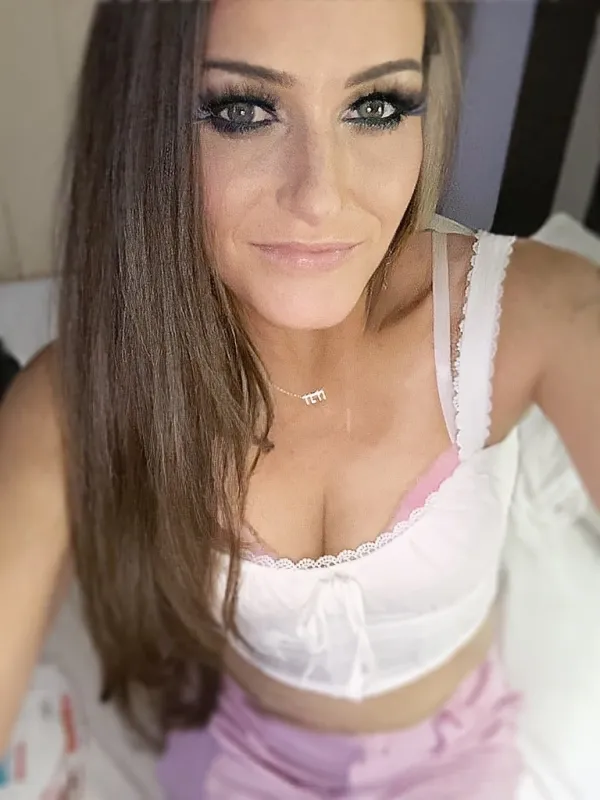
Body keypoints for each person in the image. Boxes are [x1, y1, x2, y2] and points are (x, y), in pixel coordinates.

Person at [0, 0, 598, 797]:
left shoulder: (541, 316)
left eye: (375, 106)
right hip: (239, 767)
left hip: (461, 765)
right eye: (242, 111)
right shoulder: (78, 401)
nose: (320, 197)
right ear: (143, 127)